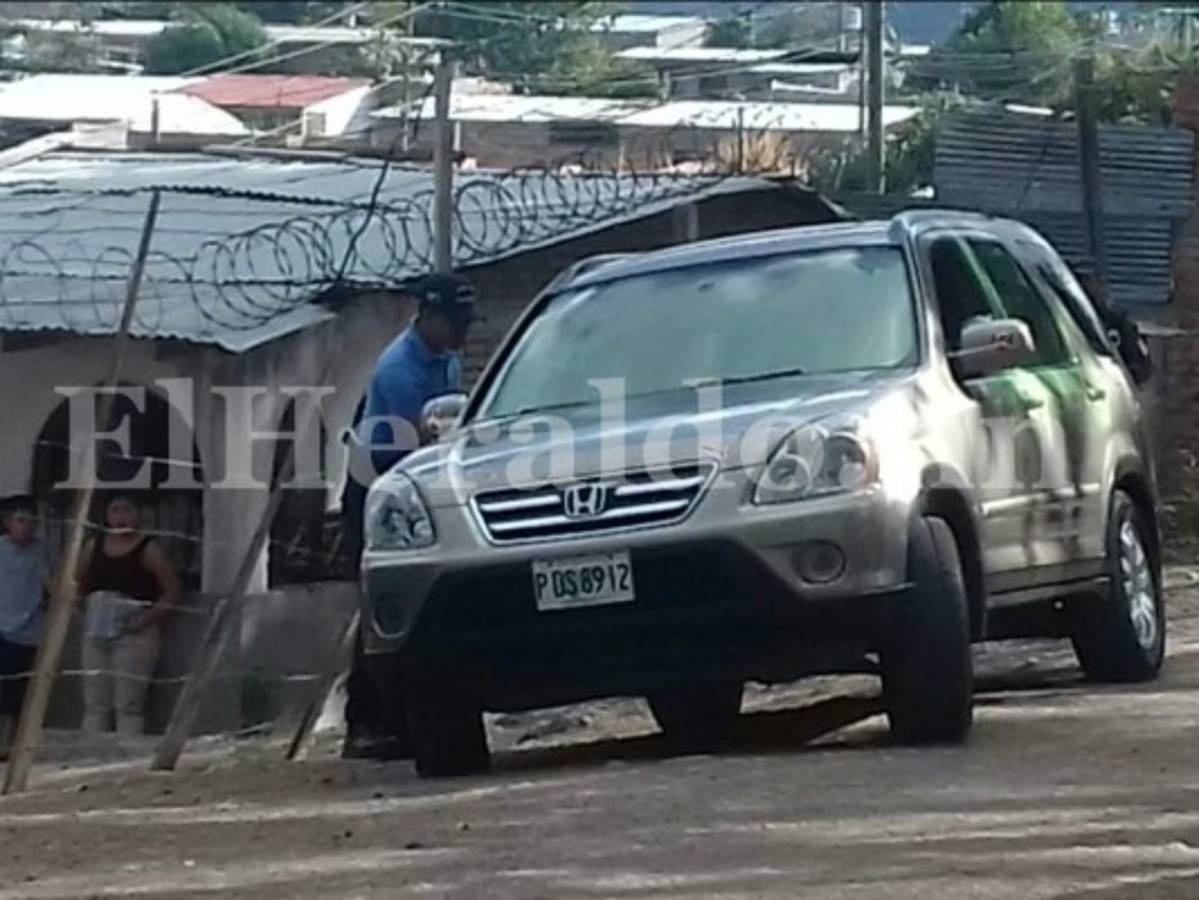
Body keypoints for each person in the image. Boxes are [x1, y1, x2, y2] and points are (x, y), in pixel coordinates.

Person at [341, 272, 476, 760]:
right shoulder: (399, 371)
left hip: (412, 473)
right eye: (454, 322)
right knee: (382, 600)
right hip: (376, 481)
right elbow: (408, 452)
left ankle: (403, 715)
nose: (463, 332)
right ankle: (365, 722)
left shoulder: (446, 358)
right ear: (428, 317)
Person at [77, 494, 181, 736]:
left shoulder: (149, 549)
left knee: (128, 703)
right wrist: (82, 614)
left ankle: (126, 757)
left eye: (127, 510)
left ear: (138, 515)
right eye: (115, 511)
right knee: (95, 701)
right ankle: (90, 757)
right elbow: (76, 583)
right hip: (96, 632)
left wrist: (146, 620)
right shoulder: (93, 546)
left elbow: (173, 592)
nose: (121, 517)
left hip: (134, 634)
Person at [0, 496, 49, 756]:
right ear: (8, 522)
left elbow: (52, 583)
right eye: (20, 520)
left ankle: (16, 747)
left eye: (32, 522)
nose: (26, 527)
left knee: (21, 695)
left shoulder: (42, 550)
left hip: (30, 632)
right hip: (2, 629)